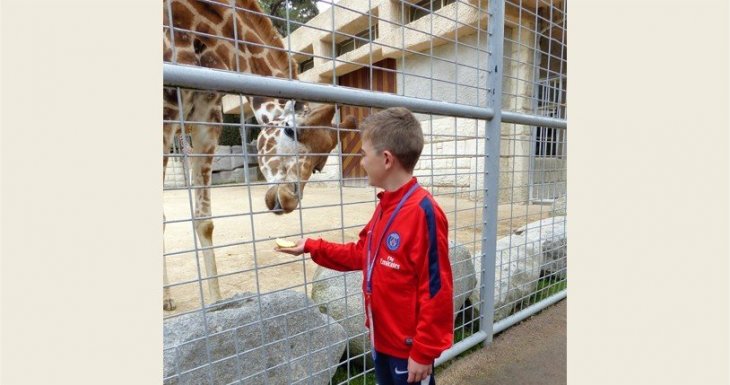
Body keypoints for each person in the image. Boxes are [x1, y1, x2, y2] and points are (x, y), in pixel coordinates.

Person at [276, 107, 453, 385]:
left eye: (363, 154)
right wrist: (312, 246)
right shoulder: (386, 206)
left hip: (407, 349)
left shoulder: (423, 212)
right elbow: (363, 254)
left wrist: (423, 351)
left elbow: (437, 288)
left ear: (385, 160)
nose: (360, 161)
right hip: (381, 340)